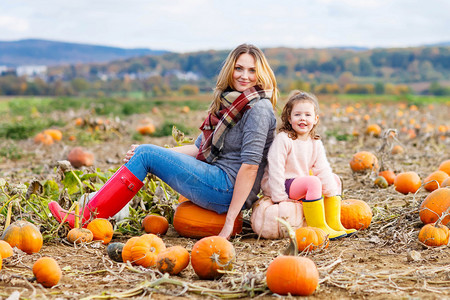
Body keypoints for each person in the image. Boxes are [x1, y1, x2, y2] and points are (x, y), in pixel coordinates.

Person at [49, 43, 278, 239]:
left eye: (251, 70)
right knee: (146, 153)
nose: (244, 76)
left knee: (147, 154)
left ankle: (86, 217)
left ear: (261, 74)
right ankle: (91, 214)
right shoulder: (232, 104)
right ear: (230, 69)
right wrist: (154, 154)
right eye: (239, 68)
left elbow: (249, 167)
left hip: (227, 189)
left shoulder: (257, 109)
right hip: (218, 180)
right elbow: (198, 149)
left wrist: (229, 222)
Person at [260, 90, 356, 239]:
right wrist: (279, 196)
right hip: (282, 183)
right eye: (297, 115)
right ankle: (318, 227)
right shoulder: (284, 139)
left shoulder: (314, 142)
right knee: (313, 181)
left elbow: (322, 168)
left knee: (334, 179)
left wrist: (330, 190)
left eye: (307, 115)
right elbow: (275, 168)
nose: (302, 119)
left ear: (316, 119)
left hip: (299, 183)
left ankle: (333, 223)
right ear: (289, 118)